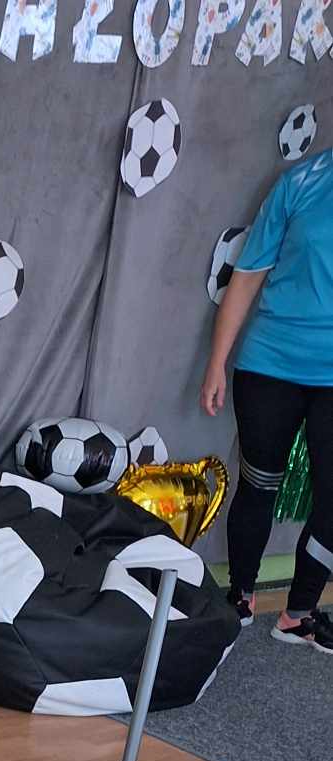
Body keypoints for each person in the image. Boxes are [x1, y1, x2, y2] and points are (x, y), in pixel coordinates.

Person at [201, 149, 333, 648]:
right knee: (258, 485)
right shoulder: (302, 182)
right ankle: (240, 596)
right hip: (271, 364)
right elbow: (249, 274)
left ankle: (299, 614)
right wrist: (217, 361)